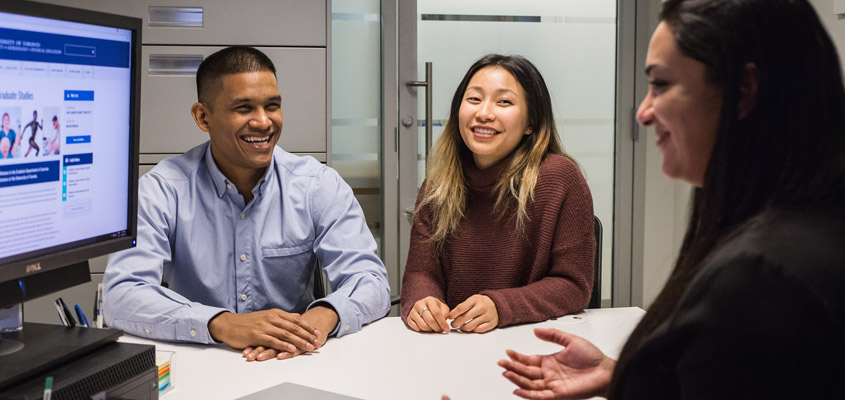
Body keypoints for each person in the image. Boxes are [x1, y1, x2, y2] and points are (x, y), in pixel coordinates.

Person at [498, 0, 845, 398]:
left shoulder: (760, 281)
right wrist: (625, 377)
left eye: (660, 84)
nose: (643, 112)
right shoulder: (812, 225)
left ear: (743, 90)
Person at [104, 46, 391, 362]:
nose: (263, 122)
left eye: (272, 106)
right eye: (244, 108)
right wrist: (223, 324)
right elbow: (122, 295)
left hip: (293, 358)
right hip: (202, 363)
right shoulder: (163, 191)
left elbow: (371, 282)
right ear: (203, 117)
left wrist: (322, 317)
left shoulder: (316, 185)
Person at [401, 54, 595, 334]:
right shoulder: (438, 184)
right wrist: (423, 303)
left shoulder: (560, 178)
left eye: (504, 102)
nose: (484, 113)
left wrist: (501, 306)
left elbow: (574, 285)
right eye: (474, 99)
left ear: (531, 122)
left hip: (531, 341)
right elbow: (421, 273)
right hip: (455, 343)